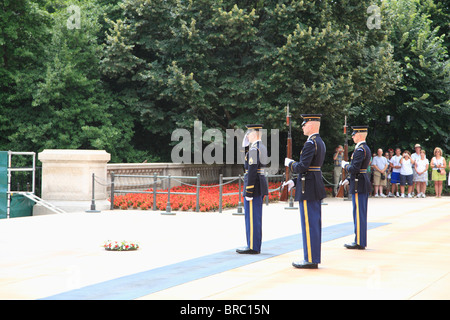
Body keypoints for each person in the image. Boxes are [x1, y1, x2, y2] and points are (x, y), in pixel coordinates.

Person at [283, 114, 326, 269]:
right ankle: (312, 257)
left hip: (308, 189)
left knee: (309, 224)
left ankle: (310, 259)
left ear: (312, 125)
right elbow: (311, 169)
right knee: (313, 224)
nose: (302, 126)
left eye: (304, 124)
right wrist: (294, 181)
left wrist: (291, 163)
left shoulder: (310, 143)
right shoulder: (319, 142)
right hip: (312, 184)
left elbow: (302, 167)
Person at [236, 124, 269, 254]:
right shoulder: (261, 147)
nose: (247, 136)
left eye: (248, 134)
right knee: (255, 217)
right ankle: (253, 244)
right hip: (259, 185)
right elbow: (249, 165)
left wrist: (248, 191)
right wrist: (245, 149)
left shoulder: (254, 150)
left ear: (254, 134)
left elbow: (251, 170)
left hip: (254, 187)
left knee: (252, 218)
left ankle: (253, 247)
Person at [340, 126, 372, 250]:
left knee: (359, 214)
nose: (352, 136)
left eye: (354, 134)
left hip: (359, 183)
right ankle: (360, 240)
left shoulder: (360, 150)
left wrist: (346, 166)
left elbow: (355, 169)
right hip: (359, 181)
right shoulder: (365, 148)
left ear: (359, 135)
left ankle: (359, 241)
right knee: (360, 213)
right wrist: (348, 179)